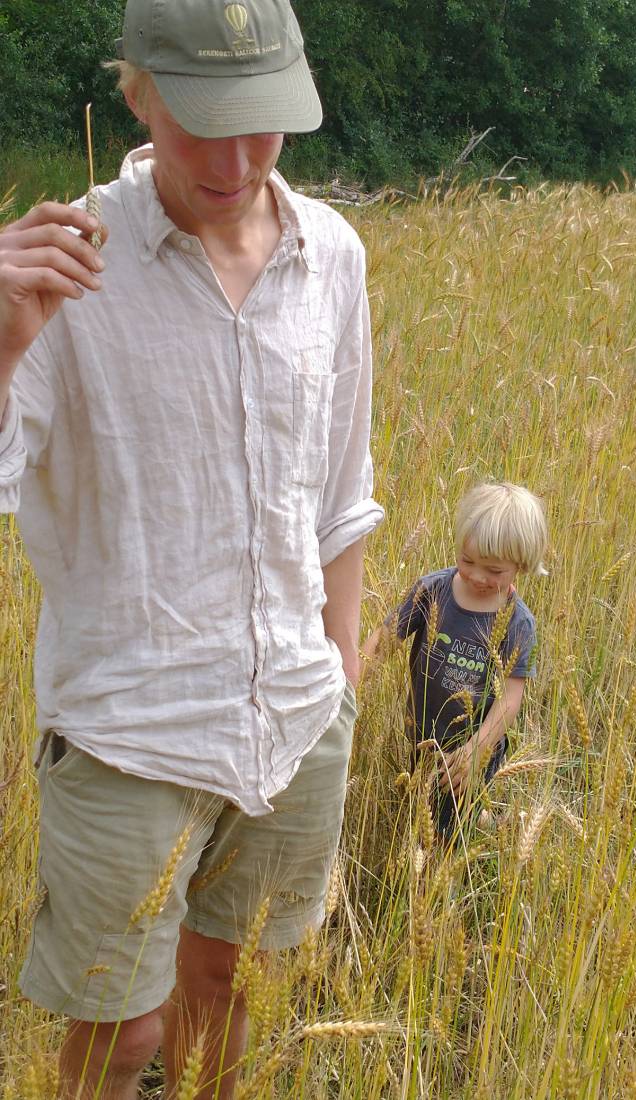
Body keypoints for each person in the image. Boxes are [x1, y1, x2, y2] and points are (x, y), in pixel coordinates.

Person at [0, 0, 383, 1096]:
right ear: (138, 95)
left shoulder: (331, 255)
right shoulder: (67, 263)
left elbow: (341, 487)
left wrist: (341, 671)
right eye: (201, 121)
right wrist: (3, 340)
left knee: (225, 990)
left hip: (295, 716)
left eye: (260, 122)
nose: (234, 160)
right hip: (130, 726)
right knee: (121, 1036)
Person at [361, 482, 545, 839]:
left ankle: (469, 838)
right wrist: (349, 683)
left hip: (474, 745)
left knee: (443, 832)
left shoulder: (519, 623)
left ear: (521, 566)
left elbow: (510, 698)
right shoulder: (433, 590)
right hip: (422, 732)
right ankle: (492, 823)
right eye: (467, 560)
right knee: (421, 803)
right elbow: (384, 640)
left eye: (494, 570)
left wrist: (477, 750)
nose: (477, 576)